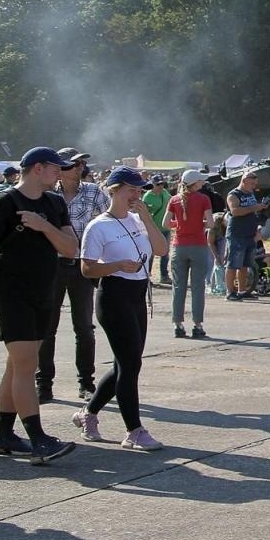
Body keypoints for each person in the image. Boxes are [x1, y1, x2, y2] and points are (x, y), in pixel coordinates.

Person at [0, 146, 79, 463]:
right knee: (25, 363)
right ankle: (38, 439)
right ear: (37, 168)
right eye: (55, 168)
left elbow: (71, 249)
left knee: (18, 362)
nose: (60, 173)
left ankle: (3, 435)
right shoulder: (4, 202)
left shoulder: (53, 202)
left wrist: (43, 225)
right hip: (10, 291)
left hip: (42, 290)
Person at [71, 166, 169, 451]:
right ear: (114, 191)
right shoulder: (99, 225)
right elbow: (87, 268)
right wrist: (116, 266)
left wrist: (147, 216)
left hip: (138, 295)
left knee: (125, 364)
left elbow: (161, 249)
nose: (136, 195)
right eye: (131, 190)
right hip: (113, 295)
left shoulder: (139, 220)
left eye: (139, 191)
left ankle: (87, 414)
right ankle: (134, 431)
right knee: (130, 364)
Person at [38, 147, 106, 404]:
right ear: (60, 169)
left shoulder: (93, 192)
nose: (80, 169)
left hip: (81, 266)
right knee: (46, 327)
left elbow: (107, 223)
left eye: (81, 166)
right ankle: (44, 385)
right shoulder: (45, 195)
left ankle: (86, 383)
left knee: (84, 328)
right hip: (51, 266)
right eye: (73, 165)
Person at [164, 170, 214, 338]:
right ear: (195, 183)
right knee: (198, 286)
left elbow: (165, 223)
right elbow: (211, 223)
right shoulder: (203, 199)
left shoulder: (174, 200)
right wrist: (199, 222)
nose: (202, 183)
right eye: (200, 181)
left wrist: (180, 223)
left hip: (179, 246)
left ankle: (178, 324)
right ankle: (197, 324)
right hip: (198, 245)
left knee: (178, 286)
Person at [225, 168, 270, 301]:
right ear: (244, 181)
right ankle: (230, 291)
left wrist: (257, 230)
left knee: (245, 264)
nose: (254, 186)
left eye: (255, 184)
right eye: (252, 184)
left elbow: (253, 213)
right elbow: (235, 211)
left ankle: (242, 290)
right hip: (237, 234)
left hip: (250, 234)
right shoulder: (233, 194)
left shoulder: (251, 194)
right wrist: (255, 207)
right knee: (233, 264)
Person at [141, 176, 172, 284]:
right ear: (152, 184)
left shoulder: (166, 194)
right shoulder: (147, 196)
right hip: (152, 230)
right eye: (158, 184)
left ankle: (164, 276)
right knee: (150, 254)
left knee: (165, 253)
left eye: (162, 184)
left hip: (165, 229)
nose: (161, 186)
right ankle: (147, 276)